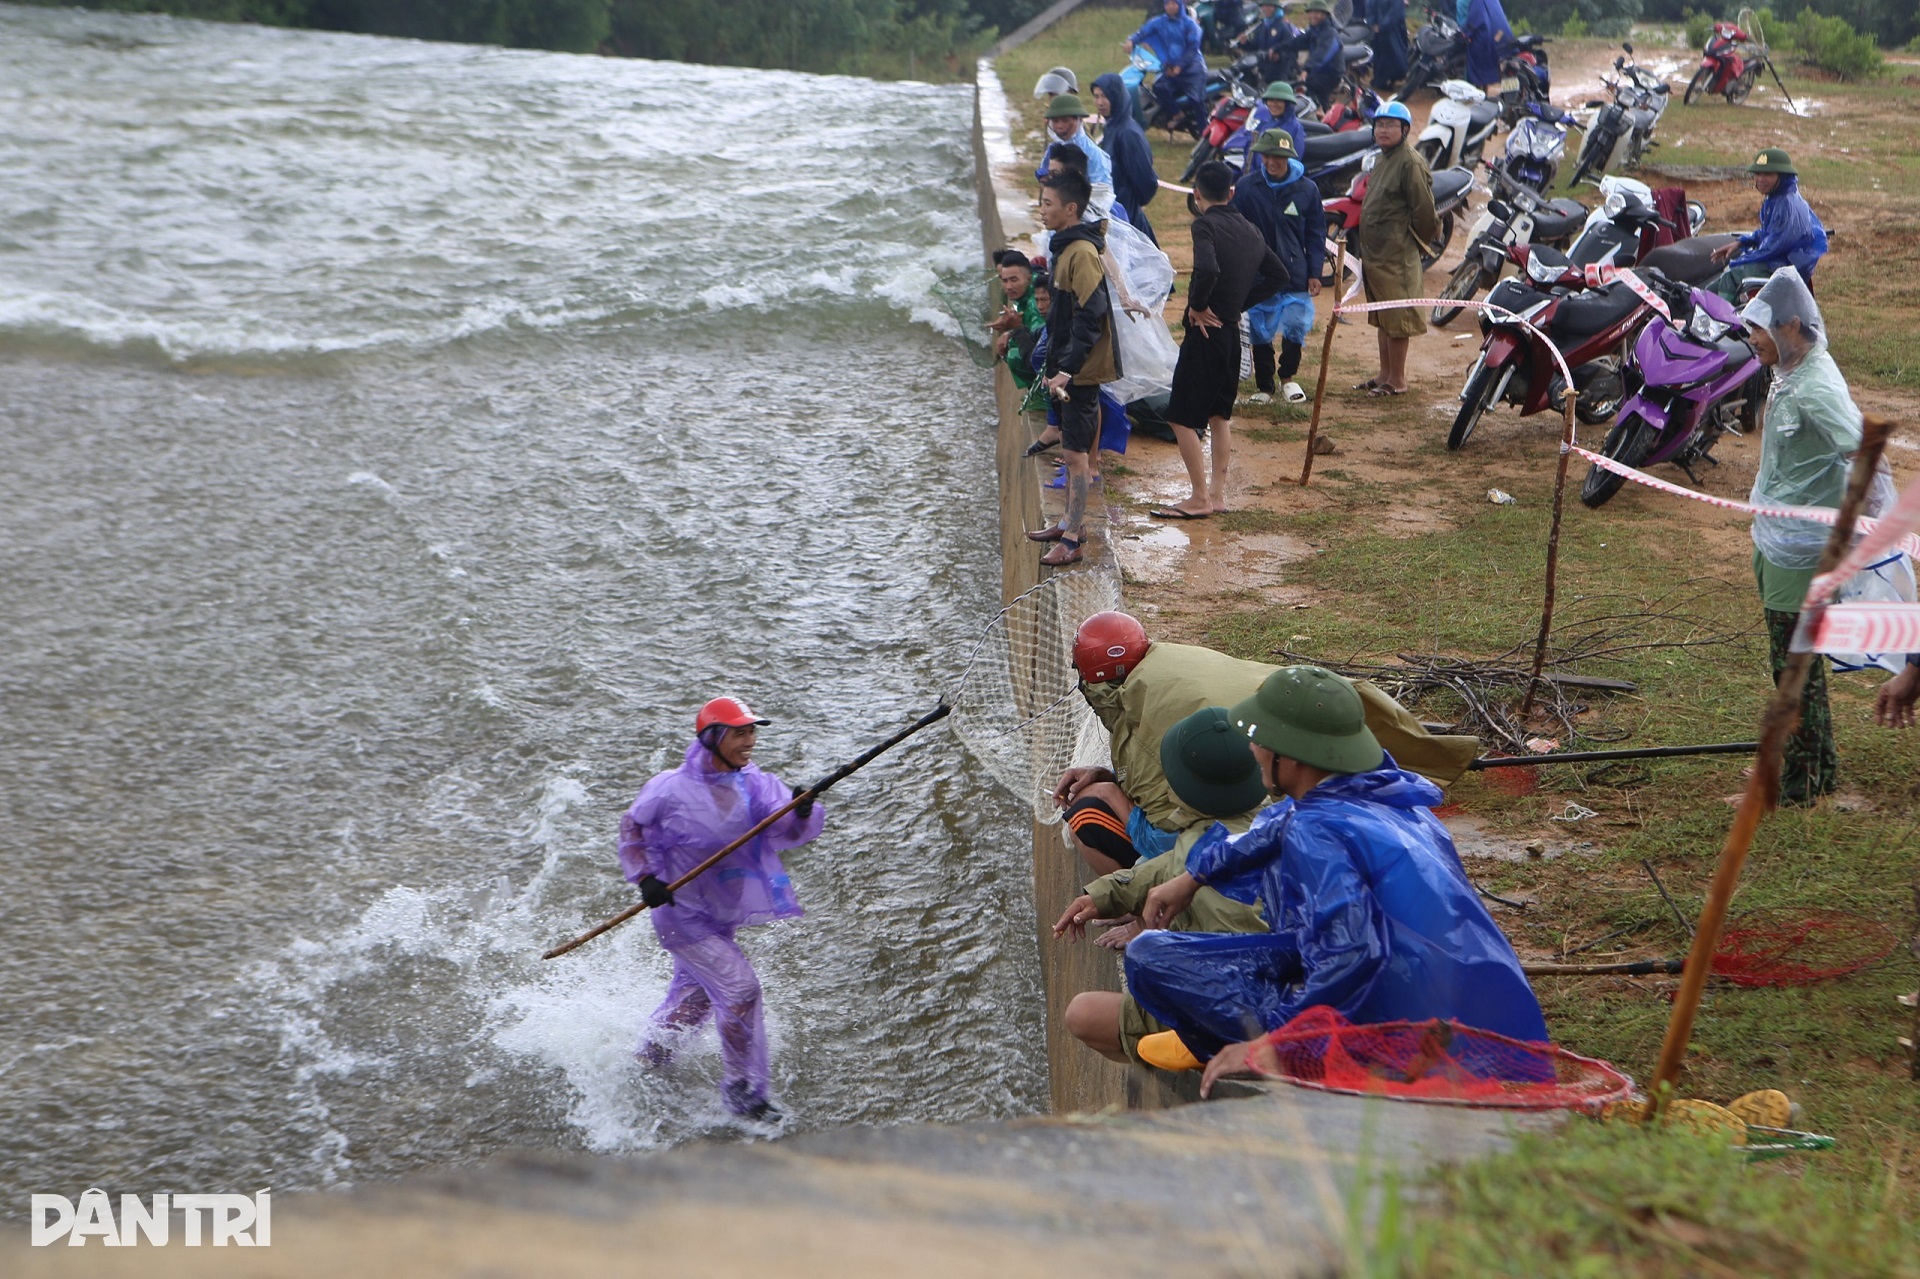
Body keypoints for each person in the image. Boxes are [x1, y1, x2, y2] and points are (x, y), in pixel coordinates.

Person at [1062, 666, 1548, 1074]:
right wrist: (1195, 876)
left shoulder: (1317, 837)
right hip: (1481, 1007)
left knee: (1153, 956)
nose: (1251, 752)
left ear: (1287, 758)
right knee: (1168, 952)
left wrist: (1278, 1042)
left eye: (1258, 742)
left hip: (1405, 1023)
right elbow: (1271, 829)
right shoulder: (1390, 797)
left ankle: (1243, 1051)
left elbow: (1353, 952)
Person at [1052, 611, 1479, 876]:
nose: (1255, 747)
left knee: (1089, 814)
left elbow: (1169, 841)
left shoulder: (1301, 837)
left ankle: (1136, 916)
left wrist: (1110, 790)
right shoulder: (1174, 658)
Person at [618, 696, 825, 1123]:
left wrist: (800, 808)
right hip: (680, 914)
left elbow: (783, 823)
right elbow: (632, 827)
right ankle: (740, 1091)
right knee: (740, 991)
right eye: (739, 732)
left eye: (752, 731)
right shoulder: (669, 787)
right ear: (712, 737)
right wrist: (645, 879)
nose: (749, 740)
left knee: (696, 1002)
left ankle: (647, 1060)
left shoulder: (754, 783)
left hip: (720, 915)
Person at [1742, 268, 1858, 804]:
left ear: (1790, 326)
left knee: (1794, 669)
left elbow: (1862, 453)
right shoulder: (1789, 371)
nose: (1752, 340)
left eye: (1759, 330)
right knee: (1793, 664)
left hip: (1804, 551)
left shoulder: (1816, 386)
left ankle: (1800, 783)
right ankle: (1821, 768)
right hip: (1778, 540)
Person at [1150, 161, 1287, 520]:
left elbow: (1208, 268)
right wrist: (1237, 304)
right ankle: (1217, 494)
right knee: (1218, 415)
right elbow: (1278, 275)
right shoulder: (1250, 229)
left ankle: (1198, 498)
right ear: (1231, 192)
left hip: (1206, 333)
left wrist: (1198, 305)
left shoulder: (1204, 225)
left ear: (1196, 194)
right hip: (1230, 332)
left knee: (1180, 416)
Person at [1029, 168, 1117, 567]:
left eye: (1047, 203)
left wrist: (1067, 368)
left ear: (1070, 208)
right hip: (1065, 367)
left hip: (1078, 373)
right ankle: (1068, 520)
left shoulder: (1080, 252)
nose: (1041, 210)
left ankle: (1073, 539)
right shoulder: (1065, 247)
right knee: (1069, 451)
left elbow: (1091, 312)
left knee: (1078, 458)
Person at [1234, 129, 1325, 405]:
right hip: (1258, 272)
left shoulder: (1307, 189)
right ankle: (1264, 386)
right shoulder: (1247, 187)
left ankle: (1288, 377)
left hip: (1295, 273)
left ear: (1288, 157)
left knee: (1296, 324)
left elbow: (1316, 233)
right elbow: (1236, 226)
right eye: (1267, 156)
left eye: (1278, 157)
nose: (1271, 162)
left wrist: (1315, 272)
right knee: (1260, 329)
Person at [1356, 99, 1437, 396]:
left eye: (1390, 125)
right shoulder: (1382, 158)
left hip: (1396, 255)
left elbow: (1425, 211)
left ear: (1404, 130)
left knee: (1398, 319)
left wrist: (1414, 242)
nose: (1383, 130)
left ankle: (1397, 381)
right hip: (1376, 255)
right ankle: (1384, 374)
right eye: (1379, 124)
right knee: (1383, 318)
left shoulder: (1409, 162)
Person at [1710, 148, 1829, 295]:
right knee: (1711, 290)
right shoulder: (1776, 198)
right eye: (1758, 173)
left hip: (1783, 266)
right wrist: (1740, 242)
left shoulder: (1786, 204)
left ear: (1782, 176)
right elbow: (1769, 232)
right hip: (1777, 261)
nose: (1761, 179)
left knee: (1730, 278)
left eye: (1768, 174)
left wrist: (1742, 260)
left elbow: (1774, 246)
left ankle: (1723, 318)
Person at [1091, 72, 1161, 245]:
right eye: (1096, 96)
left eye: (1105, 96)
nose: (1100, 102)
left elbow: (1146, 180)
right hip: (1111, 215)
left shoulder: (1128, 133)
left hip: (1127, 218)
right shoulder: (1112, 127)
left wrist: (1130, 203)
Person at [1126, 0, 1207, 130]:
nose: (1170, 6)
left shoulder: (1190, 25)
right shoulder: (1159, 22)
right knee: (1159, 87)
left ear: (1180, 5)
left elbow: (1192, 49)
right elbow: (1143, 32)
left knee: (1196, 100)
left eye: (1173, 3)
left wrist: (1179, 67)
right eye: (1167, 3)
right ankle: (1177, 114)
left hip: (1192, 69)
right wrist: (1131, 41)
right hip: (1171, 68)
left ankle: (1206, 134)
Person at [988, 249, 1045, 389]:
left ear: (1029, 278)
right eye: (1004, 280)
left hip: (1045, 389)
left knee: (1014, 352)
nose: (1008, 287)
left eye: (1014, 280)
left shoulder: (1034, 306)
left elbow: (1039, 355)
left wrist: (1014, 330)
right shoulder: (1025, 297)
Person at [1035, 93, 1114, 189]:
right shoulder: (1053, 149)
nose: (1059, 126)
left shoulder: (1094, 155)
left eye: (1066, 120)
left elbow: (1103, 196)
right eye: (1055, 121)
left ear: (1078, 119)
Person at [1229, 81, 1307, 172]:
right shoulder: (1263, 124)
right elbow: (1250, 153)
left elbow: (1294, 161)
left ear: (1288, 104)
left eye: (1279, 101)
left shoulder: (1295, 128)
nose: (1273, 104)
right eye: (1270, 100)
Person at [1239, 0, 1300, 86]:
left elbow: (1292, 51)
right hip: (1263, 70)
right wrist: (1244, 43)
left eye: (1268, 6)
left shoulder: (1284, 27)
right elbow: (1256, 46)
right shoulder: (1262, 25)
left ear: (1275, 8)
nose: (1264, 9)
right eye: (1263, 6)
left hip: (1279, 72)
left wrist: (1279, 56)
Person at [1297, 0, 1345, 108]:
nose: (1313, 16)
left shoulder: (1329, 33)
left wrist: (1307, 69)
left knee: (1312, 86)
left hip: (1331, 72)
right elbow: (1297, 42)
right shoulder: (1314, 30)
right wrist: (1277, 48)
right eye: (1311, 12)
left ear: (1324, 15)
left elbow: (1322, 55)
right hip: (1318, 70)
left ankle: (1324, 114)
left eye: (1317, 13)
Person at [1459, 0, 1514, 94]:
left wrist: (1465, 34)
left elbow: (1473, 22)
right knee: (1505, 71)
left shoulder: (1476, 3)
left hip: (1490, 39)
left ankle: (1479, 90)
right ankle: (1511, 92)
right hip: (1504, 37)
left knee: (1475, 59)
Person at [1369, 0, 1410, 90]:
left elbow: (1394, 13)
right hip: (1387, 31)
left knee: (1388, 57)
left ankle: (1385, 80)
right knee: (1389, 57)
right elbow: (1394, 13)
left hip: (1389, 30)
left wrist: (1378, 26)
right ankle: (1382, 81)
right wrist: (1377, 25)